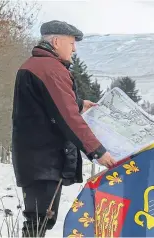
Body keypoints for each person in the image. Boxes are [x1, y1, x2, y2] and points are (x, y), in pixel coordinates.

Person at [11, 20, 116, 237]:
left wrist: (79, 103)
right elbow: (68, 117)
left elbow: (47, 105)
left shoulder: (36, 65)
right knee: (39, 221)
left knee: (38, 220)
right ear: (56, 41)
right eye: (72, 43)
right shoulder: (50, 69)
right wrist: (98, 151)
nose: (74, 48)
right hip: (43, 159)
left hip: (36, 157)